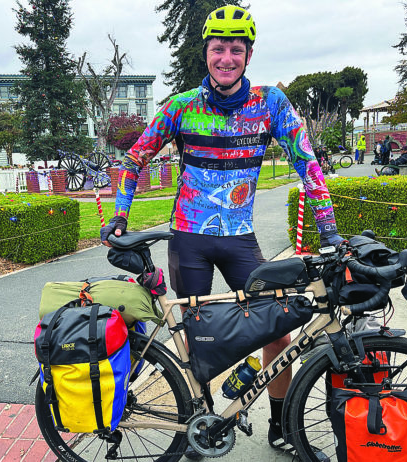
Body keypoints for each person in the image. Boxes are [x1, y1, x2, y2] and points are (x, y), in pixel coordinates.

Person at [100, 5, 341, 457]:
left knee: (277, 330)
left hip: (240, 239)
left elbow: (307, 165)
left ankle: (280, 427)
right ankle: (201, 426)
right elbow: (133, 161)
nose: (226, 58)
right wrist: (119, 216)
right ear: (206, 53)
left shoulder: (270, 103)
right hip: (188, 239)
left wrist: (329, 230)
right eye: (218, 49)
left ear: (248, 55)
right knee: (195, 341)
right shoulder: (181, 106)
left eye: (236, 49)